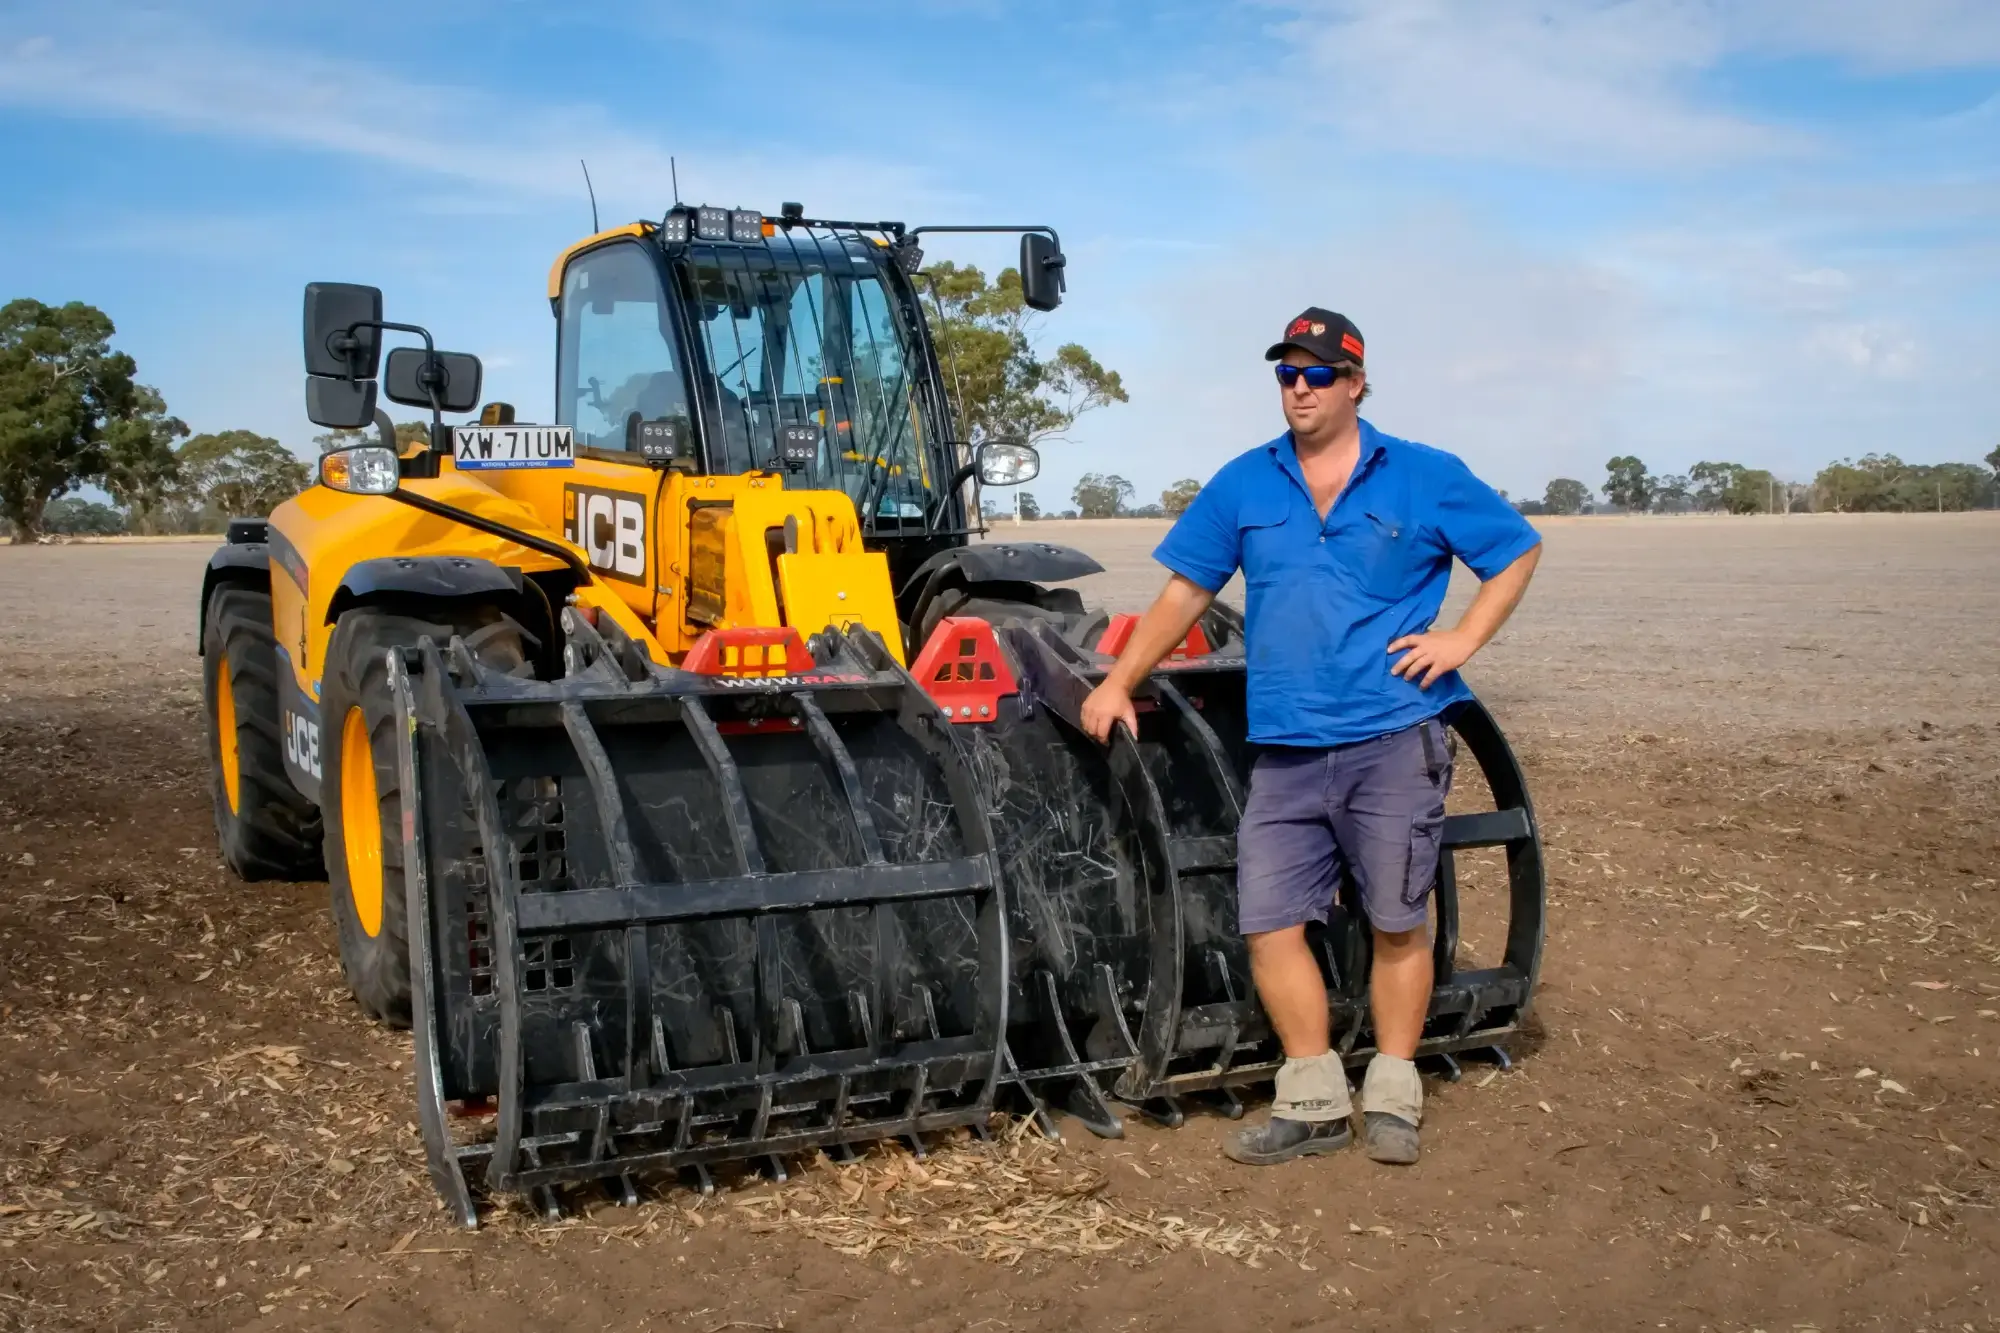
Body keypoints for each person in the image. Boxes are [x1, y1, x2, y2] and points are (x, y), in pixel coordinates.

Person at [1079, 308, 1541, 1166]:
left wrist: (1460, 640)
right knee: (1269, 922)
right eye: (1288, 373)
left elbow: (1515, 551)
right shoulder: (1246, 483)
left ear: (1356, 383)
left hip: (1393, 735)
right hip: (1286, 746)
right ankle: (1313, 1097)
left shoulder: (1424, 476)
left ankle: (1395, 1093)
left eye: (1319, 373)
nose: (1300, 387)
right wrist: (1118, 680)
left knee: (1399, 919)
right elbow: (1184, 594)